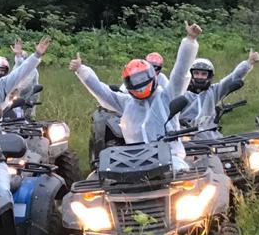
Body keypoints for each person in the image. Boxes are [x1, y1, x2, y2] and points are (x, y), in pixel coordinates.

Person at [68, 23, 202, 169]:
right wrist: (81, 70)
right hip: (135, 161)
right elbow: (103, 92)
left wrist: (190, 41)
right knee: (102, 177)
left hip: (171, 158)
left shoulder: (166, 96)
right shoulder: (127, 103)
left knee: (186, 175)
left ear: (152, 75)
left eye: (142, 78)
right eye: (134, 81)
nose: (140, 85)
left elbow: (180, 73)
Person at [179, 51, 259, 137]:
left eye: (204, 74)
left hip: (209, 134)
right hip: (184, 135)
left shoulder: (214, 91)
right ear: (191, 75)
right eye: (196, 73)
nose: (200, 77)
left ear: (209, 76)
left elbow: (232, 77)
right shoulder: (182, 93)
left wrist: (249, 63)